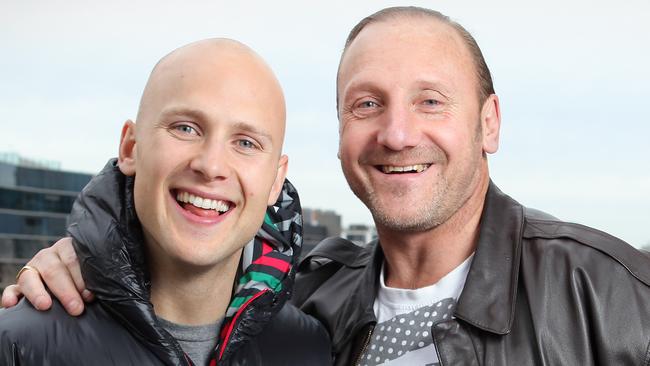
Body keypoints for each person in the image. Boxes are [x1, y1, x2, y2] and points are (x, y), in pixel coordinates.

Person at [5, 6, 650, 366]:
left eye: (430, 101)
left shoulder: (609, 296)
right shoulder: (303, 301)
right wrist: (91, 255)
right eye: (367, 104)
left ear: (489, 123)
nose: (397, 134)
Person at [0, 38, 331, 365]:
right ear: (131, 148)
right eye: (186, 128)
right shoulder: (20, 345)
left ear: (275, 179)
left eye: (245, 142)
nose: (211, 165)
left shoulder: (309, 348)